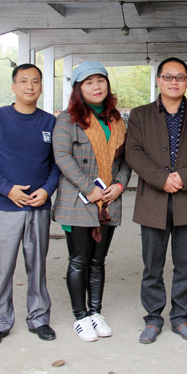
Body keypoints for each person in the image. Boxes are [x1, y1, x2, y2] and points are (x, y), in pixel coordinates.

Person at [125, 57, 187, 344]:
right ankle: (153, 318)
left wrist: (184, 177)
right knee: (152, 264)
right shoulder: (140, 115)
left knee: (185, 264)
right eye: (168, 77)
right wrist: (161, 178)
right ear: (158, 80)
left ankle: (180, 317)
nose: (174, 82)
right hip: (152, 199)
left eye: (180, 77)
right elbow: (133, 152)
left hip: (186, 200)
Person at [0, 63, 61, 347]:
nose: (30, 86)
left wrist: (47, 191)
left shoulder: (49, 122)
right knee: (3, 267)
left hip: (38, 207)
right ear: (13, 86)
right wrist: (7, 189)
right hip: (5, 207)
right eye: (23, 81)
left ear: (41, 87)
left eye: (35, 81)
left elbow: (56, 164)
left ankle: (39, 318)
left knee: (37, 265)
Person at [52, 61, 131, 342]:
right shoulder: (68, 119)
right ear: (78, 88)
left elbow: (125, 159)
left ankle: (96, 312)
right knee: (79, 260)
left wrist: (119, 185)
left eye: (100, 80)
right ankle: (81, 317)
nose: (96, 86)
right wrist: (89, 189)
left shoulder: (116, 120)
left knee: (98, 260)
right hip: (78, 200)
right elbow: (62, 156)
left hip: (108, 199)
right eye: (88, 82)